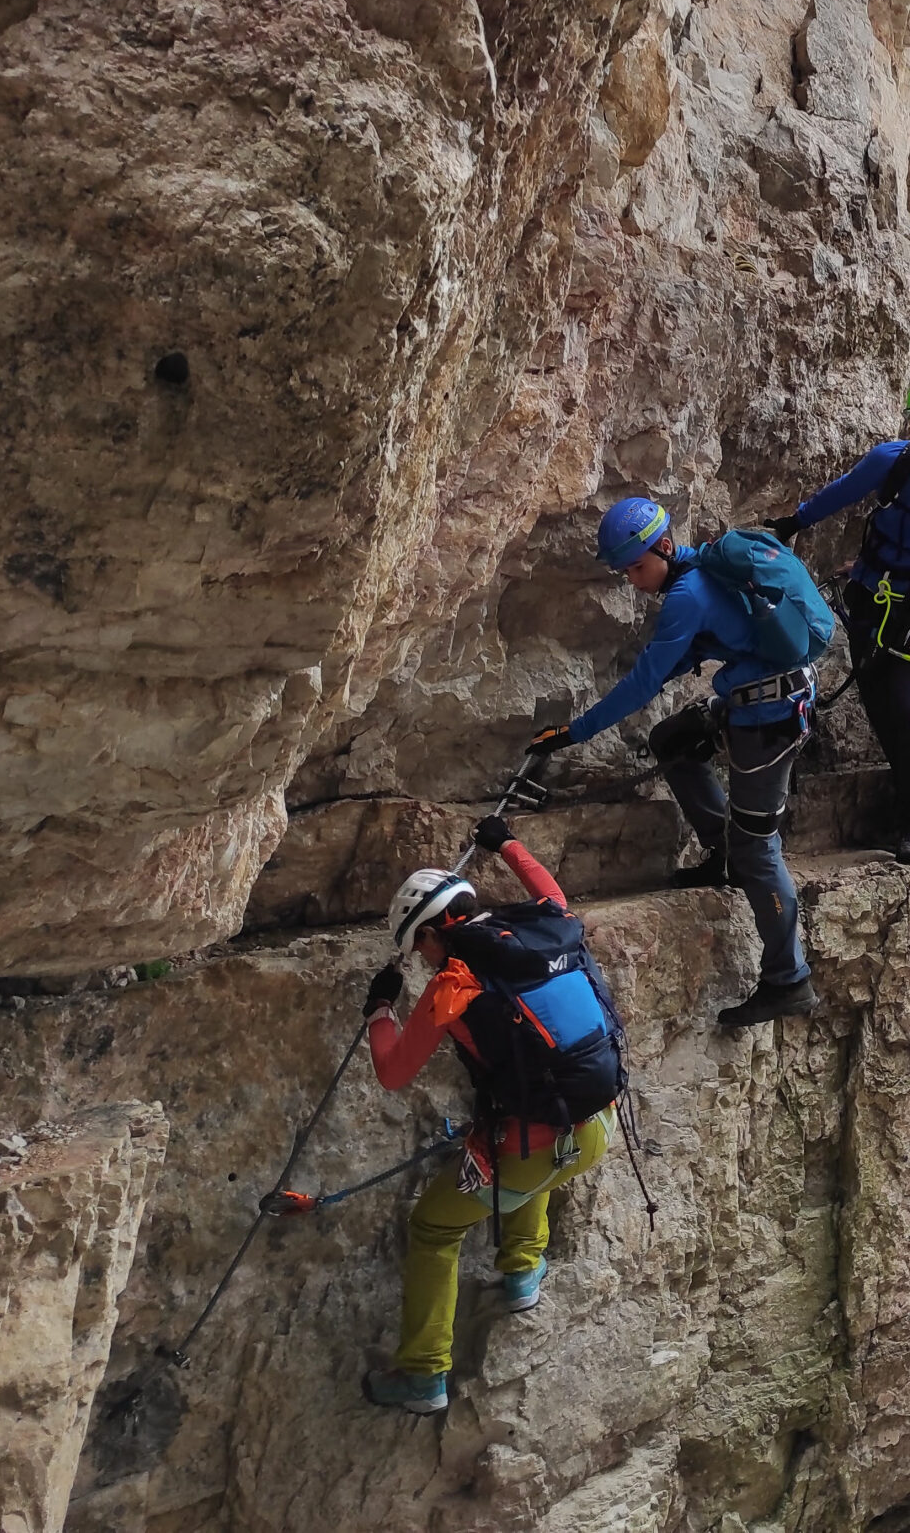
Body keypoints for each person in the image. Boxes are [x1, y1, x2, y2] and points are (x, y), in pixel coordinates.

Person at [524, 496, 819, 1031]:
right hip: (762, 697)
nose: (634, 580)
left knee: (759, 851)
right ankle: (721, 846)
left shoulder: (686, 594)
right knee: (672, 738)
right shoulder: (705, 568)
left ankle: (788, 979)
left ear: (664, 547)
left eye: (637, 566)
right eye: (625, 571)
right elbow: (694, 650)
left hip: (768, 721)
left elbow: (643, 682)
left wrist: (574, 732)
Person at [359, 815, 621, 1414]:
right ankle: (523, 1274)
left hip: (535, 1147)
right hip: (597, 1124)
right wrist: (503, 842)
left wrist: (379, 1009)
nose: (420, 960)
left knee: (434, 1227)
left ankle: (424, 1373)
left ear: (428, 937)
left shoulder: (455, 982)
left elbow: (393, 1072)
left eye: (417, 949)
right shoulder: (546, 927)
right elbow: (548, 887)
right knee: (522, 1148)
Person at [770, 402, 910, 862]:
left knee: (905, 704)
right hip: (871, 596)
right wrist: (794, 522)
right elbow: (842, 492)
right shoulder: (894, 462)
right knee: (879, 703)